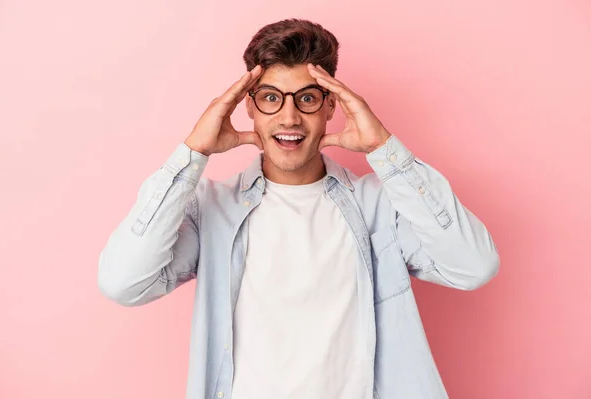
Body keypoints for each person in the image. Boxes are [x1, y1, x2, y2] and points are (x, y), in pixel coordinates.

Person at [98, 18, 500, 399]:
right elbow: (123, 282)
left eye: (307, 98)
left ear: (331, 106)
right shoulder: (210, 209)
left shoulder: (380, 205)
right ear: (249, 107)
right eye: (271, 98)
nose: (289, 117)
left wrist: (386, 151)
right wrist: (192, 154)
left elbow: (473, 267)